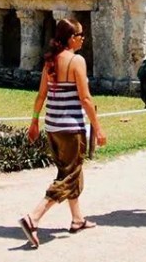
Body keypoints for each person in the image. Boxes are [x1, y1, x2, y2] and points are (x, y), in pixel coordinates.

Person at [20, 18, 106, 248]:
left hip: (53, 126)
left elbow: (40, 96)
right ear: (71, 38)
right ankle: (34, 217)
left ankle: (77, 219)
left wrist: (34, 122)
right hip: (70, 127)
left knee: (69, 171)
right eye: (80, 35)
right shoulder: (77, 61)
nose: (82, 39)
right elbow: (86, 98)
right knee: (69, 175)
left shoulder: (50, 62)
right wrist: (97, 127)